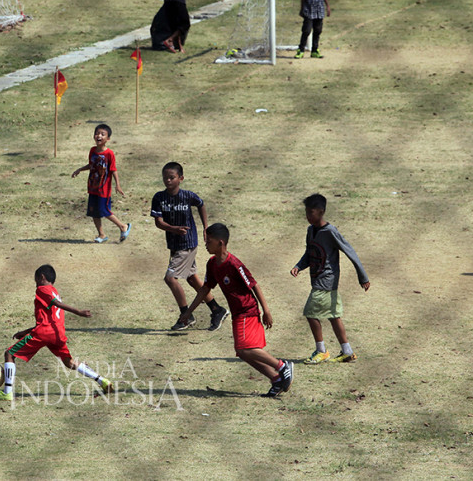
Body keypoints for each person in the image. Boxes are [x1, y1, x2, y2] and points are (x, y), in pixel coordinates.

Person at [179, 223, 293, 398]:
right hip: (237, 314)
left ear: (221, 243)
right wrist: (189, 311)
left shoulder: (234, 264)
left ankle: (282, 366)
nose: (205, 244)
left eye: (209, 241)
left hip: (248, 311)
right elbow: (205, 289)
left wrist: (266, 311)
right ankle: (276, 378)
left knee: (245, 349)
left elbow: (254, 285)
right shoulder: (212, 264)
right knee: (242, 352)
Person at [0, 264, 114, 401]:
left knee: (10, 354)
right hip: (57, 334)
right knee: (69, 362)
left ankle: (7, 392)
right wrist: (26, 332)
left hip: (44, 333)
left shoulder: (43, 289)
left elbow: (55, 306)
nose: (36, 284)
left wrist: (78, 312)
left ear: (42, 277)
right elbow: (48, 320)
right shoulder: (55, 292)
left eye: (36, 280)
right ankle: (102, 380)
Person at [290, 193, 370, 364]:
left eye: (311, 212)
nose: (308, 216)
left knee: (311, 314)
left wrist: (362, 277)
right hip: (318, 279)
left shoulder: (330, 231)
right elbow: (309, 253)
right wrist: (298, 266)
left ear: (321, 212)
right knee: (334, 316)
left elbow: (350, 251)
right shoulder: (310, 230)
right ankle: (347, 351)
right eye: (306, 212)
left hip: (326, 281)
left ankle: (321, 351)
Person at [150, 162, 230, 331]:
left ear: (181, 178)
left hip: (187, 245)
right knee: (192, 278)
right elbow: (158, 222)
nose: (168, 181)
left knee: (170, 278)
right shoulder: (159, 198)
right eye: (165, 178)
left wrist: (205, 228)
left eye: (172, 177)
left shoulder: (187, 196)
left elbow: (201, 204)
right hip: (174, 244)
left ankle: (185, 315)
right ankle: (217, 309)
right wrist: (173, 229)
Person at [72, 123, 131, 243]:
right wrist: (79, 170)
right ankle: (102, 235)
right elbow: (91, 164)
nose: (99, 136)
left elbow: (113, 170)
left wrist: (117, 185)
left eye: (102, 134)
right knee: (94, 212)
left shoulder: (109, 154)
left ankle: (123, 226)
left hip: (103, 189)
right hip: (93, 187)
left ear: (108, 138)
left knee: (104, 211)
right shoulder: (92, 150)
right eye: (97, 133)